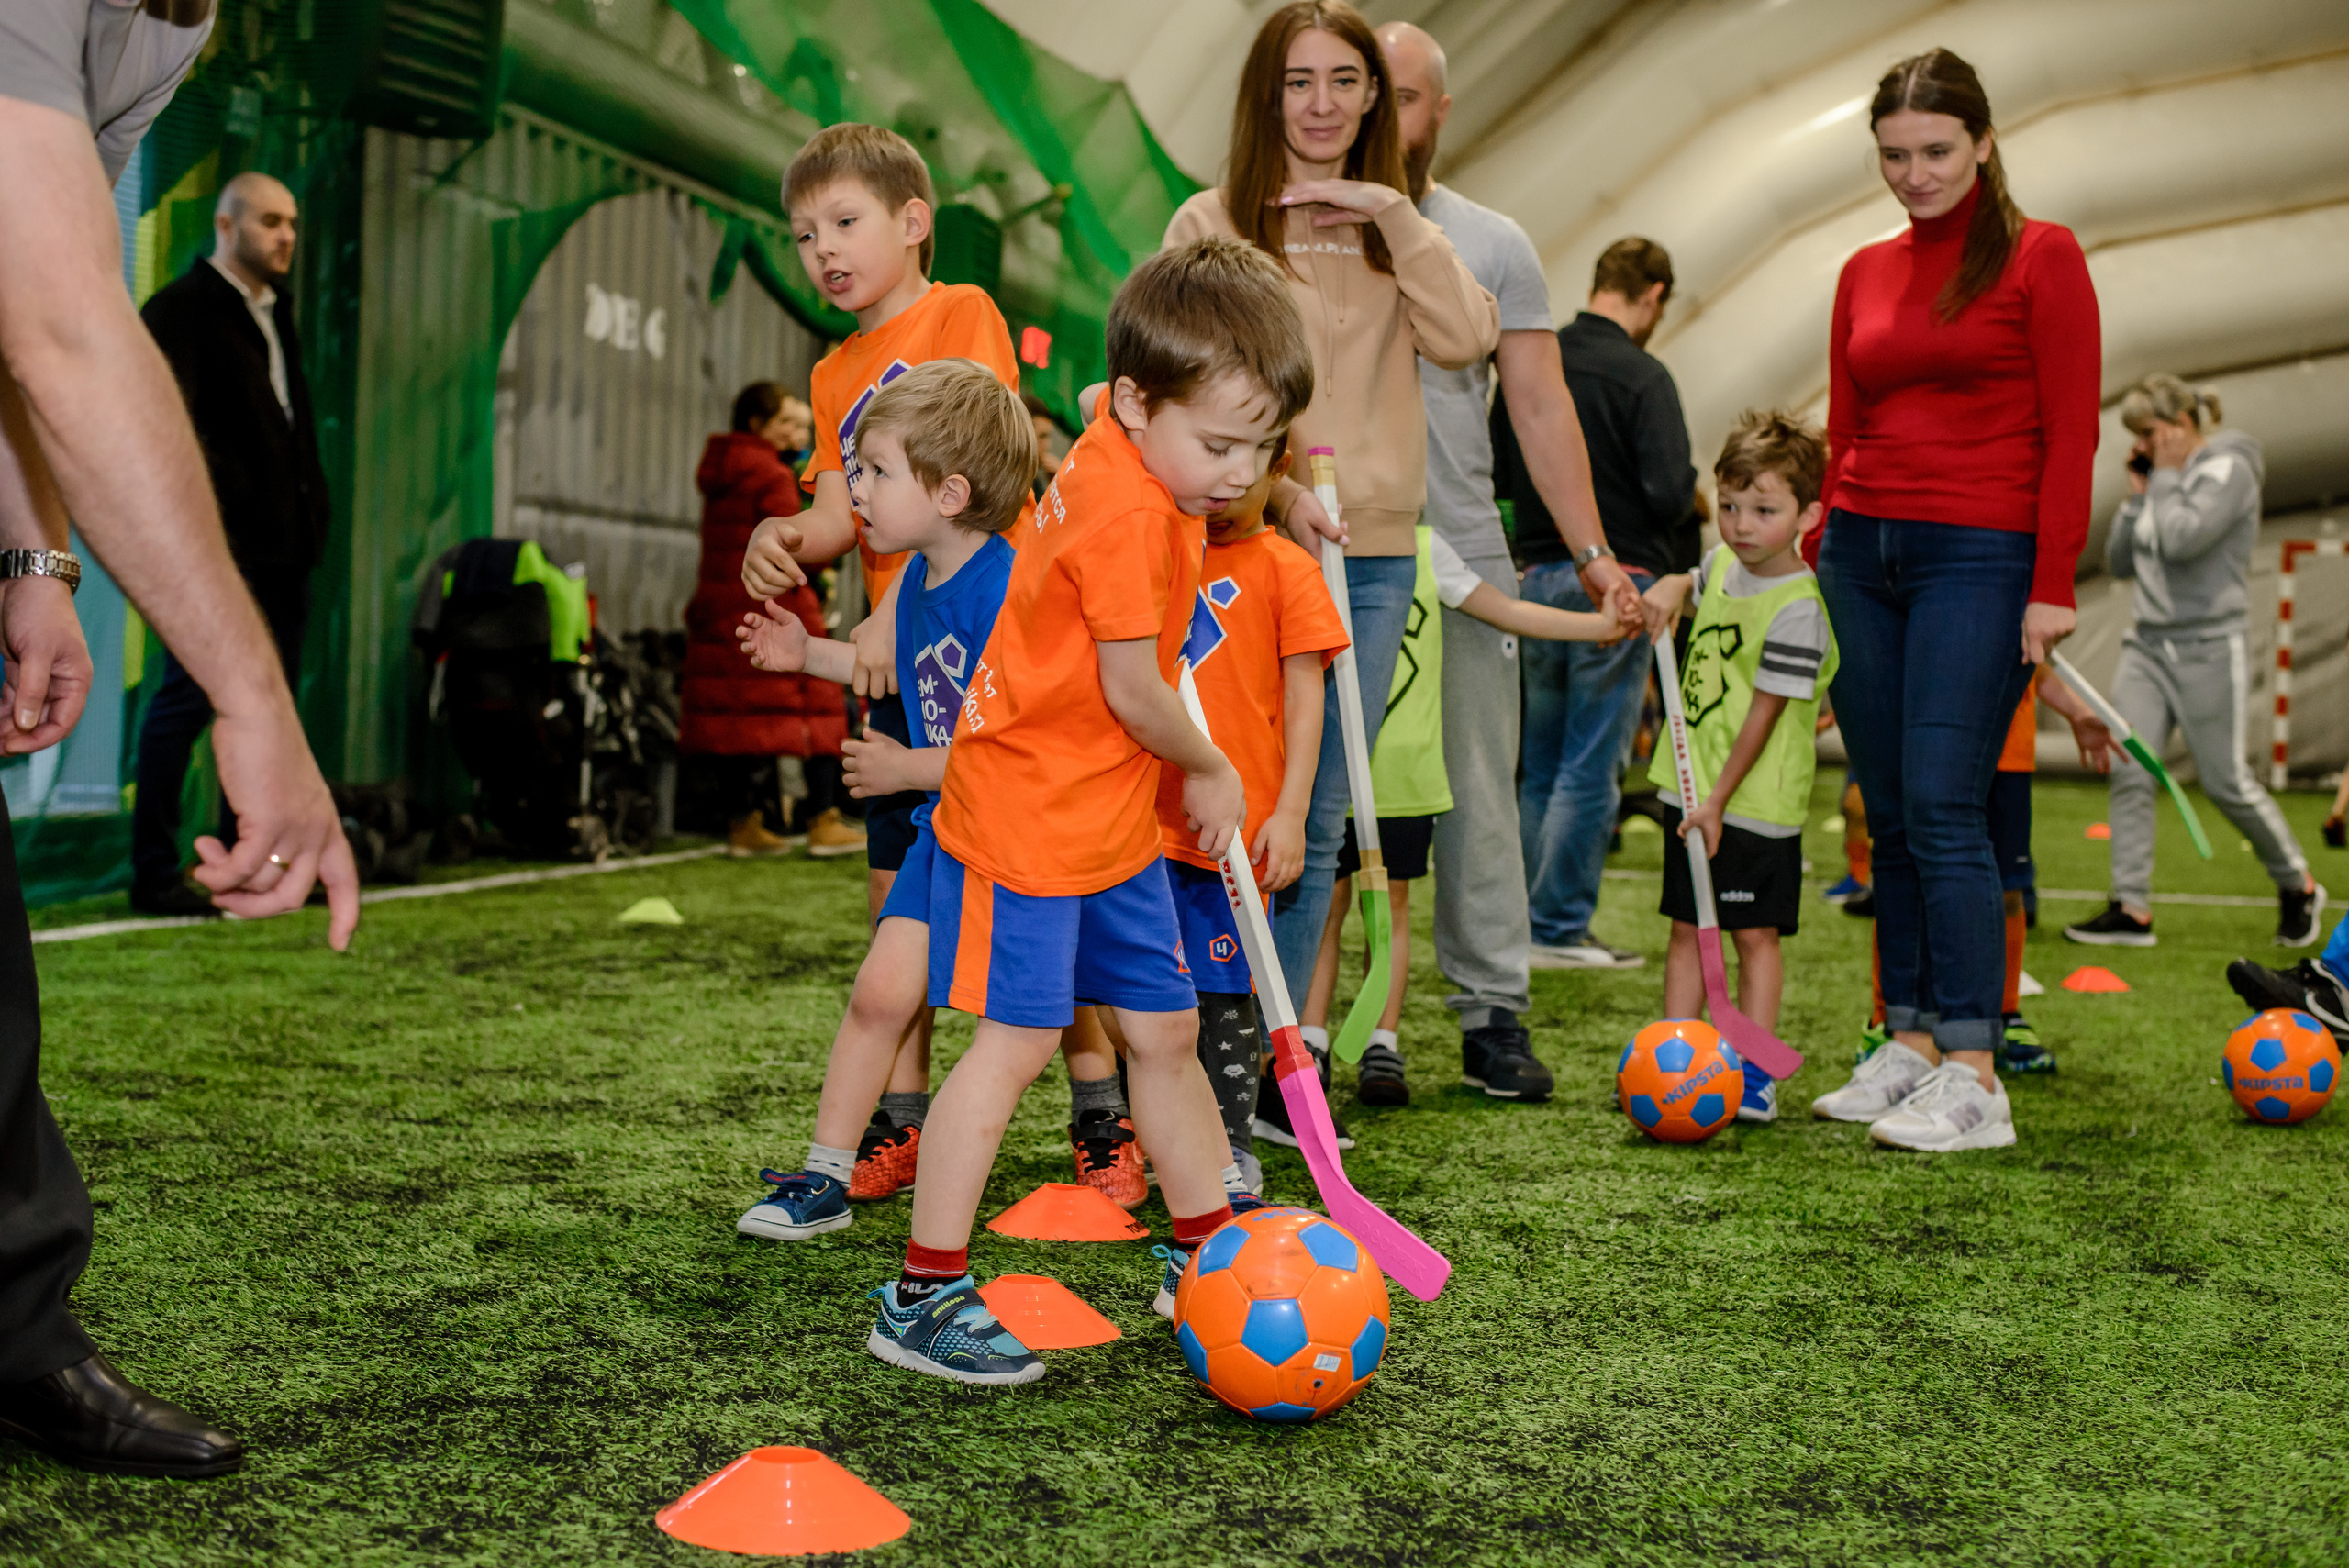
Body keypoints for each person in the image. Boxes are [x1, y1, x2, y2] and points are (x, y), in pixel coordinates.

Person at [0, 0, 360, 1479]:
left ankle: (17, 1337)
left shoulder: (157, 25)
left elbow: (7, 311)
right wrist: (254, 700)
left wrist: (36, 565)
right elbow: (67, 323)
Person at [863, 238, 1306, 1385]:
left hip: (1104, 821)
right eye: (1218, 442)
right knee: (1010, 1046)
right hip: (1027, 822)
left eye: (1260, 446)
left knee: (1160, 1031)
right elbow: (1132, 688)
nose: (1238, 470)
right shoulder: (1120, 507)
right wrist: (1210, 767)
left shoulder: (1154, 480)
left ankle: (1204, 1246)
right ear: (1129, 401)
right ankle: (921, 1293)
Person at [1163, 0, 1497, 1062]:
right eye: (1299, 81)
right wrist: (1268, 486)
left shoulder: (1401, 231)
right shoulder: (1209, 221)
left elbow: (1466, 337)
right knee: (1214, 793)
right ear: (1268, 94)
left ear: (1375, 100)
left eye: (1346, 82)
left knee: (1317, 819)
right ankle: (1179, 1043)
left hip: (1372, 556)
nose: (1323, 103)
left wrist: (1388, 213)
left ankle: (1264, 1059)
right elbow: (1174, 389)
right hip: (1235, 551)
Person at [1805, 49, 2100, 1153]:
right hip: (1862, 559)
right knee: (1888, 815)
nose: (1914, 173)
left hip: (1980, 557)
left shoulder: (2042, 256)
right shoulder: (1862, 270)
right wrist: (1825, 538)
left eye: (1935, 151)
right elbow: (1844, 429)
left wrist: (2052, 586)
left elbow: (2073, 432)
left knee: (1944, 803)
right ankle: (1914, 1041)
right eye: (1893, 155)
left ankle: (1977, 1069)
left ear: (1981, 143)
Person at [1375, 21, 1637, 1102]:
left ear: (1440, 110)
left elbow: (1537, 404)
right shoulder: (1276, 229)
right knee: (1318, 804)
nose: (1372, 113)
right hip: (1318, 547)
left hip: (1463, 552)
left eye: (1398, 95)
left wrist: (1593, 556)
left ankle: (1492, 1016)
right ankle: (1300, 1027)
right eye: (1355, 89)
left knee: (1480, 794)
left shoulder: (1491, 242)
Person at [729, 360, 1029, 1240]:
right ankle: (825, 1177)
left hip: (1022, 844)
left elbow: (1015, 749)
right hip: (948, 836)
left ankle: (1205, 1182)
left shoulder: (1009, 589)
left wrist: (908, 771)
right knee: (878, 995)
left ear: (950, 492)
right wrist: (804, 653)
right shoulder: (914, 581)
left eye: (877, 470)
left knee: (1123, 1022)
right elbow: (880, 666)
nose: (852, 484)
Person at [1302, 517, 1628, 1106]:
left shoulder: (1425, 547)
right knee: (1325, 902)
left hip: (1405, 775)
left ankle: (1383, 1041)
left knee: (1390, 906)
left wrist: (1596, 625)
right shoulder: (1309, 538)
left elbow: (1506, 610)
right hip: (1330, 770)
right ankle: (1310, 1042)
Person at [2062, 374, 2324, 950]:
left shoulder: (2227, 471)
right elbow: (2122, 564)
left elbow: (2182, 540)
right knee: (2131, 768)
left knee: (2225, 782)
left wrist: (2165, 480)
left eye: (2150, 434)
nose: (2143, 448)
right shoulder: (2161, 481)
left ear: (2181, 427)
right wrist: (2135, 497)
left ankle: (2297, 883)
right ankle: (2131, 909)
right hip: (2148, 646)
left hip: (2210, 647)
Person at [130, 171, 330, 916]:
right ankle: (153, 873)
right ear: (225, 224)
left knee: (269, 709)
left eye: (293, 223)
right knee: (184, 704)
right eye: (272, 221)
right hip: (215, 556)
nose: (286, 236)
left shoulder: (277, 314)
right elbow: (164, 431)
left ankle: (245, 868)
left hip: (286, 552)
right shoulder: (180, 312)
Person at [1496, 236, 1696, 972]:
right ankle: (1557, 926)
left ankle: (1518, 921)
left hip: (1533, 582)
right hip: (1619, 584)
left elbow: (1498, 472)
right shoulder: (1644, 375)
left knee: (1539, 763)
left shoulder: (1532, 360)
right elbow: (1673, 492)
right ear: (1652, 297)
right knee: (1589, 765)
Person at [1640, 413, 1838, 1125]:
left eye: (1763, 510)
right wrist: (1669, 585)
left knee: (1753, 936)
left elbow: (1763, 716)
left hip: (1752, 805)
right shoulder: (1722, 565)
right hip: (1685, 787)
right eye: (1727, 506)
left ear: (1808, 515)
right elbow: (1689, 579)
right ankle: (1675, 1061)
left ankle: (1752, 1072)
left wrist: (1718, 801)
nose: (1740, 524)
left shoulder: (1799, 608)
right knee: (1689, 928)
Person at [1163, 440, 1347, 1186]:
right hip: (1144, 820)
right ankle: (1165, 1135)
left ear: (1278, 477)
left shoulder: (1289, 570)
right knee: (1150, 996)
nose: (1224, 485)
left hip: (1238, 833)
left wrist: (1293, 811)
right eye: (1212, 455)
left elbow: (1308, 701)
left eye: (1249, 469)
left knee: (1225, 996)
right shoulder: (1164, 546)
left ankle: (1231, 1146)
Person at [681, 381, 857, 858]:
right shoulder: (773, 476)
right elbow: (799, 548)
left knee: (739, 721)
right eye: (786, 423)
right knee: (820, 709)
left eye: (801, 425)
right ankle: (823, 818)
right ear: (758, 424)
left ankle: (746, 824)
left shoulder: (723, 471)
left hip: (725, 608)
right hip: (775, 605)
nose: (796, 434)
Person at [1019, 390, 1060, 498]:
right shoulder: (1012, 485)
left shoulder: (1035, 483)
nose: (1048, 445)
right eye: (1042, 436)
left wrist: (1057, 482)